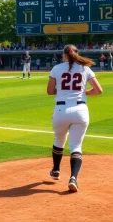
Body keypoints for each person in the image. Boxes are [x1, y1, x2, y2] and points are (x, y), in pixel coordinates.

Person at [47, 44, 102, 192]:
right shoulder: (85, 68)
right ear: (77, 54)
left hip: (61, 109)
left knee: (59, 140)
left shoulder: (57, 68)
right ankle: (73, 178)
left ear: (64, 55)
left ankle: (56, 170)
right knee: (76, 146)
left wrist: (63, 90)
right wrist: (86, 93)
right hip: (80, 109)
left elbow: (50, 91)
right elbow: (98, 90)